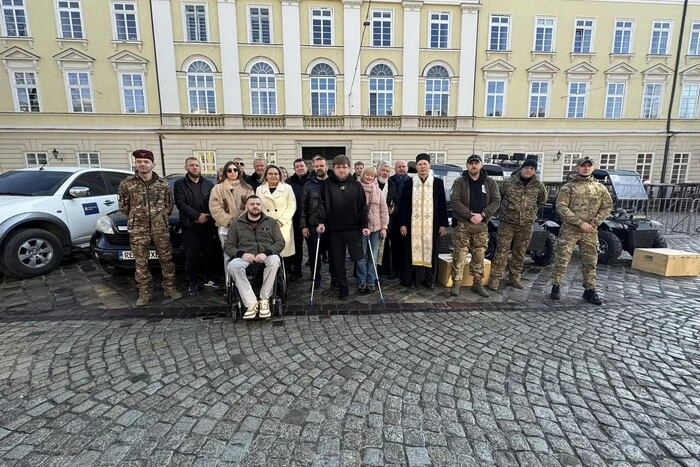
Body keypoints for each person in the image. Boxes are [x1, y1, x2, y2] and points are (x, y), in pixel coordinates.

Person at [118, 149, 183, 306]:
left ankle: (170, 288)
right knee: (141, 261)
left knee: (166, 259)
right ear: (135, 163)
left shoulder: (162, 184)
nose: (142, 164)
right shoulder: (127, 184)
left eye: (146, 162)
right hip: (138, 229)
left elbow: (169, 204)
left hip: (160, 228)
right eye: (139, 161)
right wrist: (138, 217)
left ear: (153, 164)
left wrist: (159, 217)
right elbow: (123, 206)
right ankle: (145, 293)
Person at [550, 156, 613, 305]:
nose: (586, 168)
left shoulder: (599, 188)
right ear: (577, 168)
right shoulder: (568, 187)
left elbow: (607, 206)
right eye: (583, 166)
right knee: (562, 259)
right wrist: (579, 223)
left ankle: (590, 289)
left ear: (593, 168)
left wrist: (594, 223)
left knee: (590, 261)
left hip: (590, 230)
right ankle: (556, 286)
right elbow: (561, 207)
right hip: (570, 229)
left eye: (589, 166)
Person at [487, 159, 546, 290]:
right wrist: (503, 211)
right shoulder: (509, 182)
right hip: (507, 223)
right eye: (526, 167)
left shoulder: (538, 186)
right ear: (521, 168)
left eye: (532, 168)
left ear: (534, 170)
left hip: (526, 224)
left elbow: (541, 201)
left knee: (520, 252)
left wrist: (531, 212)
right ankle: (495, 277)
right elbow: (498, 198)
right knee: (501, 251)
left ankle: (515, 276)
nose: (529, 170)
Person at [224, 195, 285, 320]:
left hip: (266, 255)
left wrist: (267, 253)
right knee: (232, 265)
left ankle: (264, 300)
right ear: (246, 206)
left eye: (258, 204)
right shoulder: (236, 224)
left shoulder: (271, 222)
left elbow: (280, 242)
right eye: (252, 204)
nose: (255, 206)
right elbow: (228, 246)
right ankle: (251, 303)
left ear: (261, 206)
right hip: (245, 256)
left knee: (275, 260)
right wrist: (242, 254)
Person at [317, 155, 369, 300]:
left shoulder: (356, 185)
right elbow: (321, 204)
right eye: (338, 167)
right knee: (337, 259)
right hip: (334, 229)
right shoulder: (326, 184)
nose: (341, 170)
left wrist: (364, 225)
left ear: (349, 168)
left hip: (353, 228)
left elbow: (362, 207)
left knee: (358, 256)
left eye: (344, 167)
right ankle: (342, 285)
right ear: (333, 168)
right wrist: (321, 222)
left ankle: (361, 280)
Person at [450, 154, 501, 297]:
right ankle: (456, 283)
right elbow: (455, 201)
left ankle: (477, 283)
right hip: (463, 224)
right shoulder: (460, 181)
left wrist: (483, 215)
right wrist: (470, 215)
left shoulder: (490, 182)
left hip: (481, 224)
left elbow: (496, 200)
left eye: (476, 163)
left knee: (479, 254)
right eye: (471, 163)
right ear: (467, 166)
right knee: (460, 254)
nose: (474, 165)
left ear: (481, 165)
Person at [399, 153, 448, 289]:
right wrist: (403, 223)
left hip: (432, 225)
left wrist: (443, 223)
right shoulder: (410, 182)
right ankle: (412, 279)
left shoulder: (437, 182)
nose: (422, 167)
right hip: (412, 225)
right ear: (417, 166)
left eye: (424, 164)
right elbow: (403, 204)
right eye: (419, 164)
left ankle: (429, 280)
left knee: (430, 251)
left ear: (429, 165)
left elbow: (442, 204)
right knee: (411, 251)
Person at [174, 157, 221, 295]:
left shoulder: (208, 183)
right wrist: (196, 216)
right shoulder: (180, 184)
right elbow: (181, 204)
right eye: (191, 165)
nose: (194, 167)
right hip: (190, 226)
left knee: (209, 254)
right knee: (191, 256)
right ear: (186, 167)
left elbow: (212, 202)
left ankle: (209, 278)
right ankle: (192, 282)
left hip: (207, 224)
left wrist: (206, 216)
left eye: (197, 165)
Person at [255, 165, 296, 275]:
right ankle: (269, 275)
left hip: (283, 225)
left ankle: (283, 275)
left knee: (282, 251)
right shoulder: (260, 189)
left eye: (276, 174)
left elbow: (292, 206)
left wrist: (281, 221)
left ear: (280, 175)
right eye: (270, 174)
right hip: (266, 225)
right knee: (267, 252)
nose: (273, 176)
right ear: (266, 176)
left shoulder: (287, 188)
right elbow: (257, 207)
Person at [301, 156, 331, 289]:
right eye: (317, 166)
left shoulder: (333, 182)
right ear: (314, 167)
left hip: (332, 224)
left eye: (322, 166)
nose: (319, 168)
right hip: (313, 224)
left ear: (327, 167)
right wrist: (304, 226)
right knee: (314, 254)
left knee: (334, 254)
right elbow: (303, 206)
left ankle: (335, 279)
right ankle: (315, 278)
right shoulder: (308, 185)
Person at [357, 167, 389, 293]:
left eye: (372, 176)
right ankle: (362, 280)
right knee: (361, 256)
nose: (369, 177)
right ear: (363, 175)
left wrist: (384, 227)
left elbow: (384, 210)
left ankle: (371, 280)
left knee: (373, 256)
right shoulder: (357, 189)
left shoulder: (378, 191)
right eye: (367, 175)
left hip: (376, 228)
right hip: (361, 229)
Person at [209, 160, 254, 247]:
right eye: (229, 170)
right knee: (228, 254)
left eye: (235, 170)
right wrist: (229, 221)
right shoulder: (217, 188)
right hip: (225, 227)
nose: (232, 172)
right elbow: (215, 208)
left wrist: (240, 221)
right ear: (226, 172)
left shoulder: (247, 188)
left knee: (244, 253)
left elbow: (251, 206)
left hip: (244, 227)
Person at [287, 158, 310, 281]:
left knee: (312, 248)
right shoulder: (288, 182)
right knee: (296, 246)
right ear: (294, 169)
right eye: (297, 166)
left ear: (306, 167)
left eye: (302, 166)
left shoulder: (312, 180)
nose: (300, 168)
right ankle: (297, 270)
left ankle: (314, 273)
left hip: (310, 219)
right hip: (294, 219)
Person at [388, 160, 408, 280]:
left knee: (406, 245)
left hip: (407, 217)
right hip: (394, 218)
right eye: (399, 167)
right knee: (394, 245)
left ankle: (405, 269)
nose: (401, 169)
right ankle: (395, 269)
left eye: (403, 167)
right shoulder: (390, 181)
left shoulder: (411, 181)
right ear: (395, 169)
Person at [375, 160, 394, 277]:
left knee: (383, 247)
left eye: (387, 171)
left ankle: (381, 272)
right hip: (371, 221)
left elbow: (395, 200)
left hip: (385, 222)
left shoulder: (391, 184)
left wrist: (393, 209)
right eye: (383, 170)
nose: (385, 173)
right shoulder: (371, 181)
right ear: (377, 171)